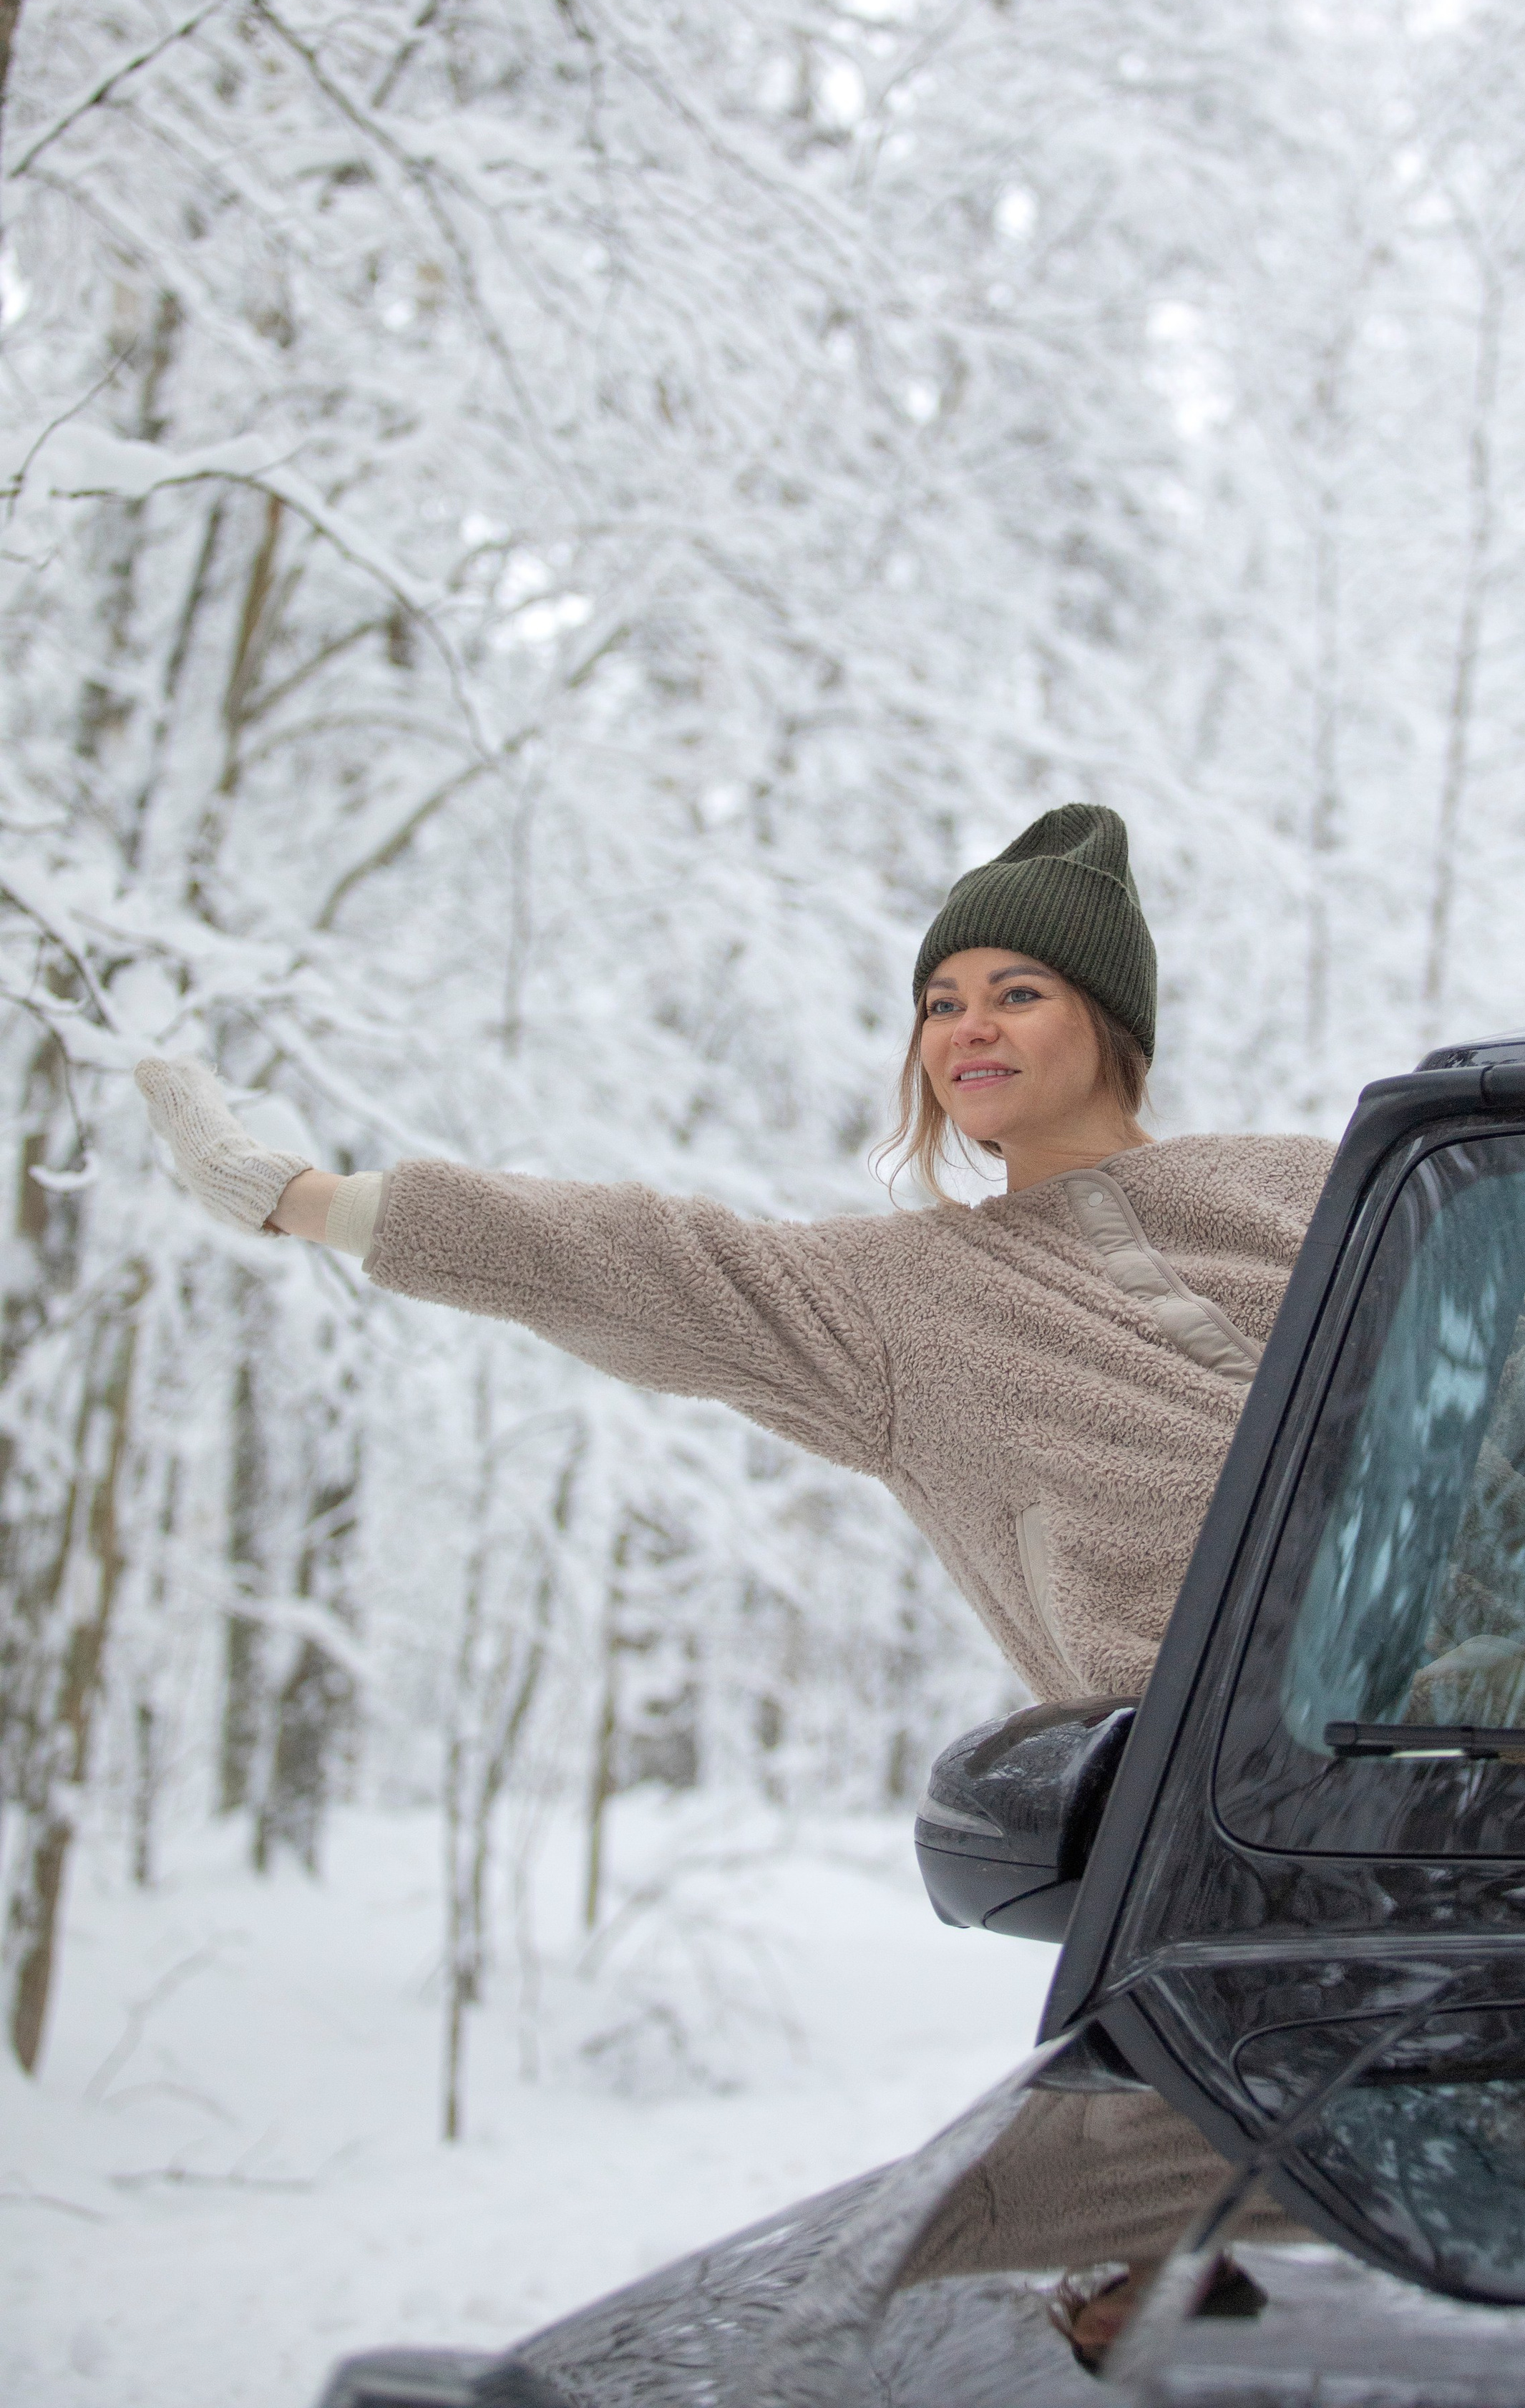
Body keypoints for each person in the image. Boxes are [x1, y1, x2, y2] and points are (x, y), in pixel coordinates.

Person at [135, 800, 1335, 2358]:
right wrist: (307, 1198)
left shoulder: (1300, 1185)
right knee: (1057, 2326)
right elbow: (634, 1259)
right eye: (937, 1001)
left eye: (1014, 991)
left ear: (1110, 1021)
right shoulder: (902, 1306)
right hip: (1224, 1880)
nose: (964, 1028)